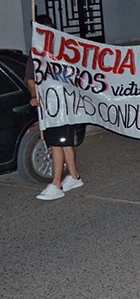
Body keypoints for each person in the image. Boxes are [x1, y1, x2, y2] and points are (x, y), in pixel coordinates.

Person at [30, 15, 85, 201]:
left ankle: (56, 183)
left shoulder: (62, 50)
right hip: (50, 106)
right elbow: (31, 77)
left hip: (61, 106)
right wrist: (35, 95)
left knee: (57, 143)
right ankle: (75, 176)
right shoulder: (37, 52)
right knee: (63, 142)